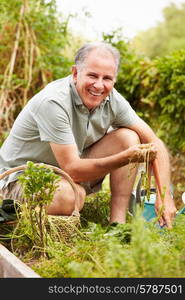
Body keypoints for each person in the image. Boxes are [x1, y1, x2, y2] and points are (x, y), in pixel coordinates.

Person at [0, 42, 176, 228]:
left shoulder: (112, 99)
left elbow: (154, 142)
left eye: (107, 78)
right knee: (70, 197)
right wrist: (124, 158)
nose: (99, 85)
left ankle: (117, 226)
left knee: (128, 137)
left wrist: (164, 196)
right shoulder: (54, 101)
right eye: (92, 75)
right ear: (76, 74)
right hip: (20, 180)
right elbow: (73, 168)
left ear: (114, 79)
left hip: (67, 175)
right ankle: (11, 213)